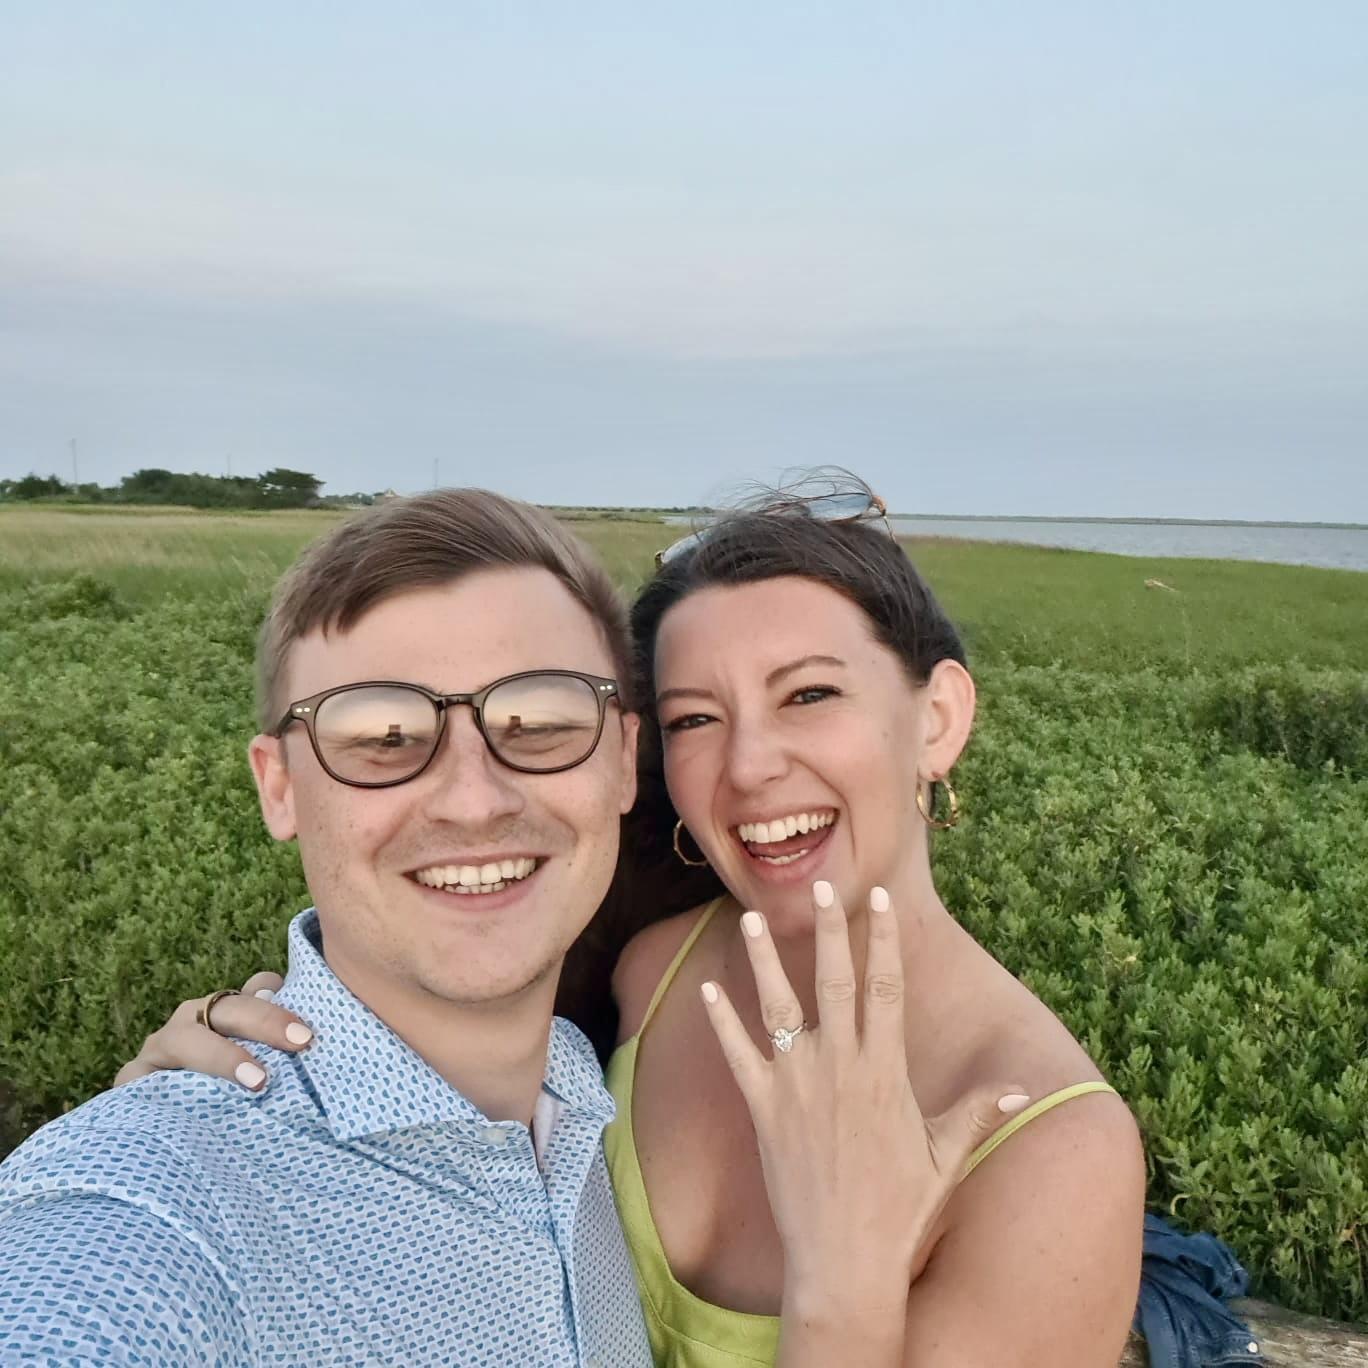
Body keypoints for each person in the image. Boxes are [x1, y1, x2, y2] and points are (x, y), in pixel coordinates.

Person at [113, 477, 1147, 1365]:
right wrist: (214, 1080)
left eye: (809, 694)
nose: (748, 767)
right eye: (698, 717)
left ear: (938, 719)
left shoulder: (1057, 1158)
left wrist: (844, 1292)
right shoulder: (654, 962)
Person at [0, 490, 655, 1366]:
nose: (474, 798)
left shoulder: (591, 1088)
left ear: (623, 760)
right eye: (382, 735)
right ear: (278, 788)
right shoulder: (145, 1207)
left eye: (537, 722)